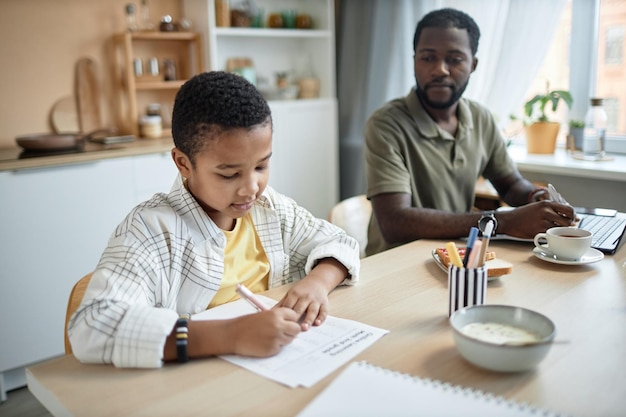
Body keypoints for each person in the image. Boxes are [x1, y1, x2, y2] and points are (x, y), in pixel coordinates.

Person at [68, 71, 360, 368]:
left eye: (261, 165)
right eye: (229, 174)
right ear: (183, 163)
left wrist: (318, 282)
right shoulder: (151, 229)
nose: (251, 187)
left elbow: (341, 241)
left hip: (280, 367)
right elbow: (92, 326)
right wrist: (231, 334)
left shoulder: (270, 208)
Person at [364, 8, 576, 256]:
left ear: (473, 64)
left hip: (457, 259)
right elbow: (395, 222)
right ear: (414, 61)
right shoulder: (386, 124)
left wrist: (535, 196)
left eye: (454, 59)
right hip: (394, 264)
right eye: (428, 58)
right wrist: (503, 222)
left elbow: (509, 184)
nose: (440, 70)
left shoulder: (481, 118)